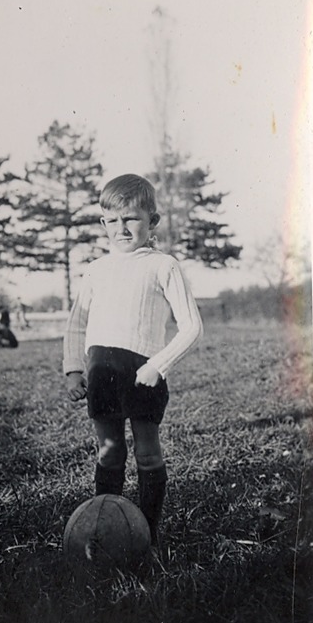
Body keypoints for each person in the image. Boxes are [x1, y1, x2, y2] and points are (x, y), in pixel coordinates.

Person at [63, 173, 203, 542]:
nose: (121, 228)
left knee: (147, 455)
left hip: (143, 372)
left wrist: (158, 365)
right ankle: (102, 531)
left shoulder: (163, 265)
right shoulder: (95, 269)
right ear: (102, 222)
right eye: (112, 220)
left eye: (131, 218)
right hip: (102, 372)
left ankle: (147, 533)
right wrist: (74, 370)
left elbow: (192, 327)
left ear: (152, 221)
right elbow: (77, 323)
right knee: (109, 452)